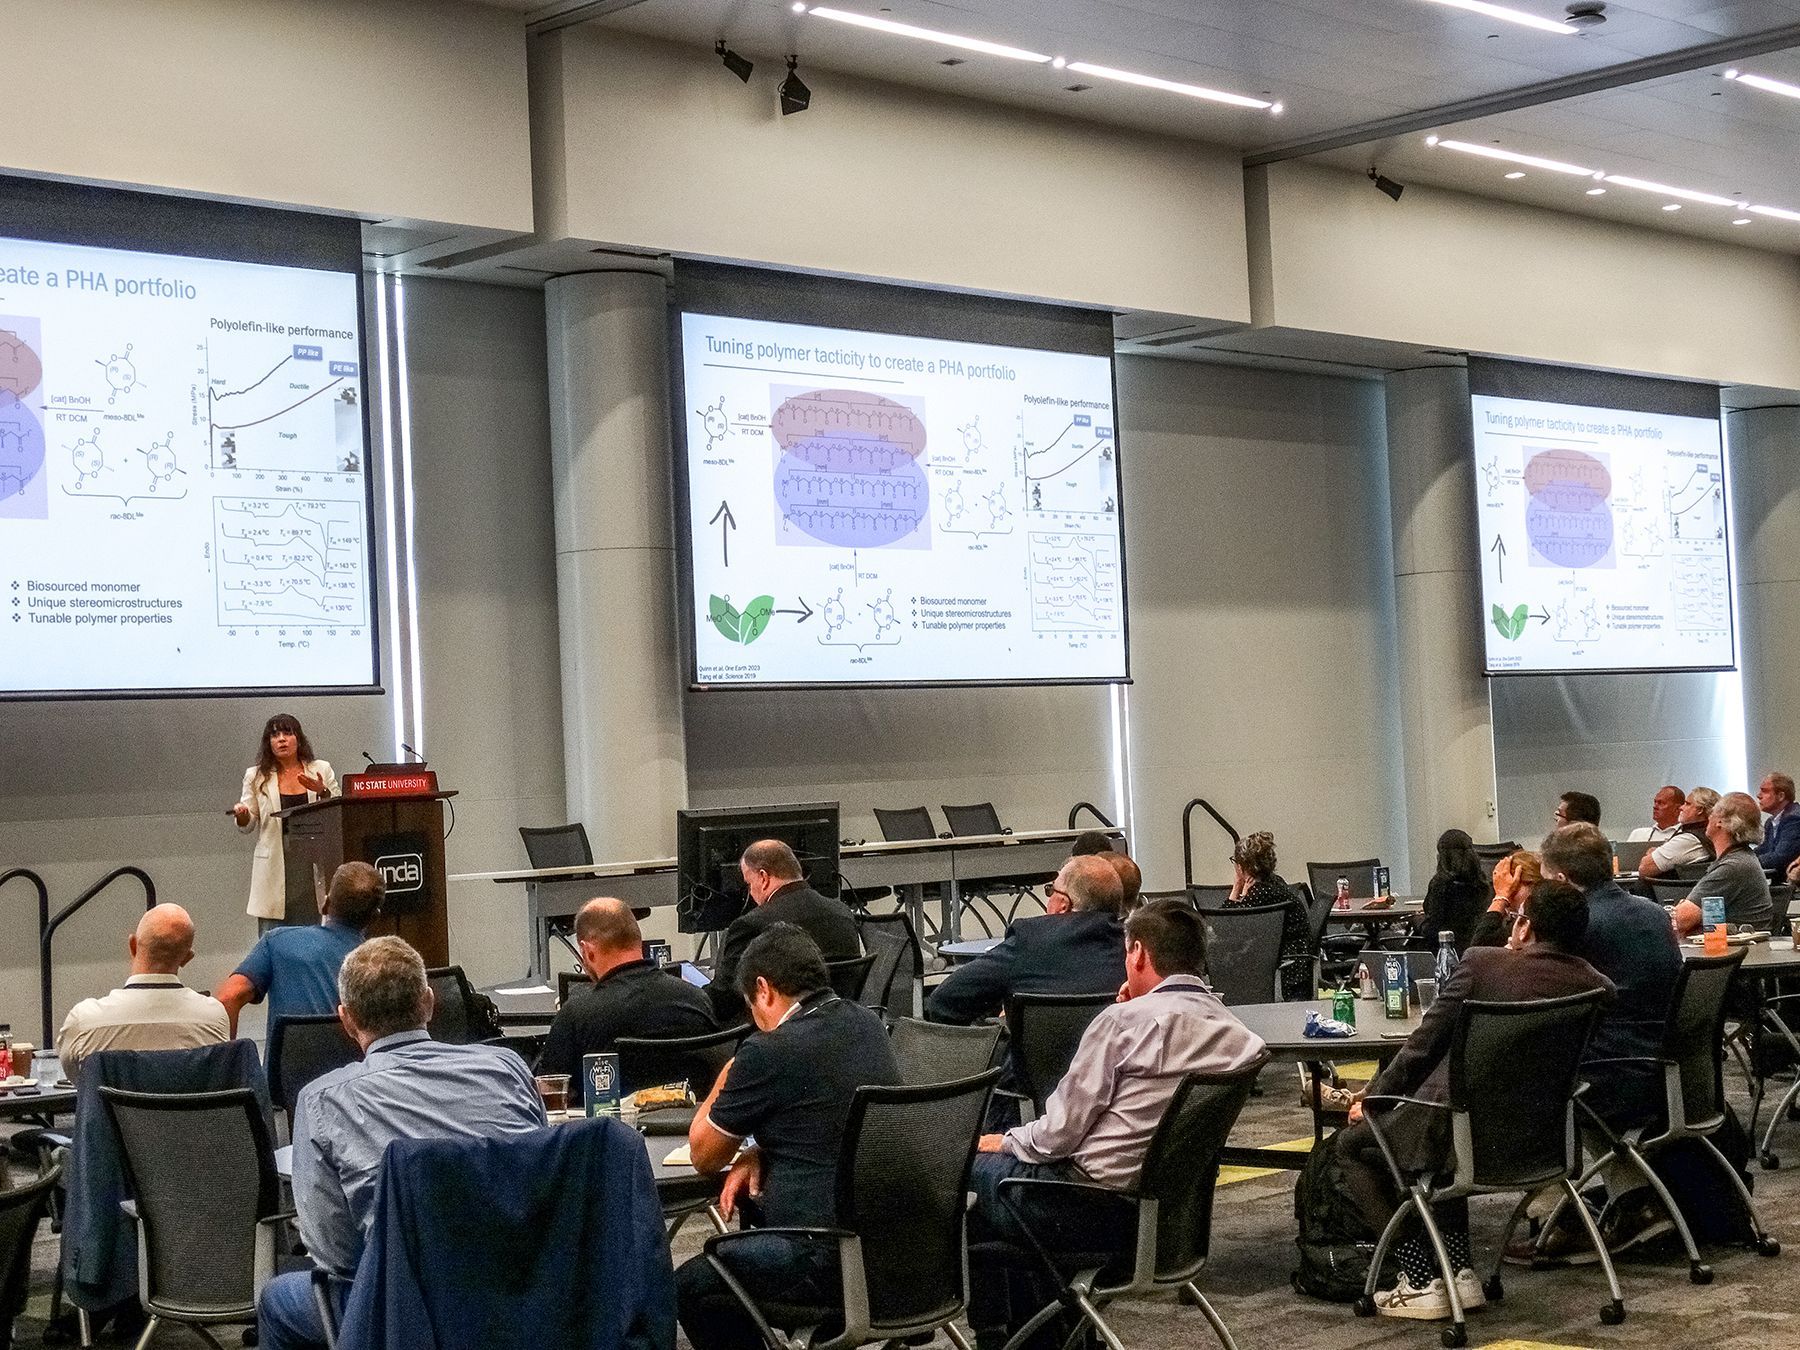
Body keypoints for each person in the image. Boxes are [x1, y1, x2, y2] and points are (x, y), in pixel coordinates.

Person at [965, 900, 1265, 1348]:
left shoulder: (1122, 1024)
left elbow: (1055, 1139)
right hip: (1171, 1221)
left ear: (1139, 953)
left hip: (1085, 1209)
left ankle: (1000, 1337)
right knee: (1000, 1220)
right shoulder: (1240, 1037)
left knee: (956, 1179)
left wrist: (1004, 1141)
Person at [1338, 880, 1613, 1320]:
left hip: (1460, 1132)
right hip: (1542, 1143)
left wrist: (1374, 1100)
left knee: (1353, 1146)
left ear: (1525, 927)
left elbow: (1422, 1046)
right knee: (1447, 1140)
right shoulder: (1596, 985)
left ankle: (1420, 1278)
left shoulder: (1482, 964)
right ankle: (1461, 1272)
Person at [257, 937, 547, 1350]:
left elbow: (336, 1254)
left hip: (406, 1317)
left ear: (346, 1019)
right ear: (429, 1002)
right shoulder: (507, 1067)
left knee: (277, 1299)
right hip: (526, 1297)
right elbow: (541, 1174)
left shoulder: (322, 1101)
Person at [676, 924, 899, 1350]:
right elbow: (831, 1121)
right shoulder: (867, 1024)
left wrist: (732, 1067)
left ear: (763, 989)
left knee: (695, 1284)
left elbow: (703, 1154)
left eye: (751, 1008)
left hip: (824, 1259)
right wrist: (760, 1149)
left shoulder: (768, 1050)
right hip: (899, 1253)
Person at [1533, 821, 1682, 1257]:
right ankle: (1634, 1203)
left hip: (1613, 1077)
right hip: (1674, 1070)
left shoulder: (1577, 929)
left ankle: (1558, 1220)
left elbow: (1537, 998)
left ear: (1562, 880)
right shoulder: (1654, 913)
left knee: (1524, 1081)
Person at [535, 897, 716, 1100]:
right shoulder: (697, 1000)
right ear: (638, 939)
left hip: (608, 1120)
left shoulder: (576, 1015)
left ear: (587, 951)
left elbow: (549, 1093)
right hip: (693, 1118)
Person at [925, 853, 1126, 1033]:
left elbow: (943, 1002)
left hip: (1032, 1064)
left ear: (1063, 905)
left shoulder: (1028, 940)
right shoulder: (1133, 949)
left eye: (1051, 890)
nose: (1049, 897)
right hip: (1111, 1063)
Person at [56, 904, 229, 1080]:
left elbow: (79, 1082)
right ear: (187, 958)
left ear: (133, 946)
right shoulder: (214, 1018)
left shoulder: (85, 1021)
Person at [214, 861, 383, 1036]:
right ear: (374, 918)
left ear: (325, 904)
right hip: (356, 1055)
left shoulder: (277, 942)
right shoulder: (381, 966)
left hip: (285, 1056)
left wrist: (231, 1054)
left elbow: (228, 997)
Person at [707, 840, 860, 1023]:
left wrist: (688, 997)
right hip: (845, 1024)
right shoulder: (842, 912)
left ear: (763, 877)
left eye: (749, 884)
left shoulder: (751, 924)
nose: (750, 893)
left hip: (779, 1033)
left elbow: (724, 1001)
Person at [231, 714, 339, 930]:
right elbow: (248, 823)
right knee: (273, 937)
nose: (281, 739)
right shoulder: (256, 775)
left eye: (287, 733)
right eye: (275, 735)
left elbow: (337, 810)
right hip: (274, 865)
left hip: (310, 867)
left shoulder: (321, 769)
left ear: (298, 738)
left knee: (310, 936)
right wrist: (242, 815)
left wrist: (323, 792)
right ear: (268, 742)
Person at [1222, 831, 1311, 999]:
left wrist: (1236, 888)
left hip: (1284, 967)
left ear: (1242, 866)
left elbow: (1224, 927)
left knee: (1224, 960)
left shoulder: (1259, 893)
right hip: (1293, 961)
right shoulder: (1275, 882)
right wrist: (1243, 894)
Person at [1673, 791, 1774, 935]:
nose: (1709, 817)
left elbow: (1680, 920)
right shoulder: (1741, 858)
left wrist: (1681, 907)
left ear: (1720, 821)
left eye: (1713, 812)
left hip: (1730, 946)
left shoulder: (1733, 866)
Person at [1418, 828, 1488, 953]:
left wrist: (1418, 922)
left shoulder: (1440, 884)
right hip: (1475, 950)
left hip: (1445, 950)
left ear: (1443, 856)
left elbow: (1432, 930)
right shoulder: (1482, 882)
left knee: (1387, 936)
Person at [1636, 786, 1718, 880]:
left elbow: (1645, 868)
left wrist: (1653, 854)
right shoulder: (1706, 835)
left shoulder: (1689, 839)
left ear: (1700, 810)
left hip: (1659, 889)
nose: (1681, 808)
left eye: (1687, 804)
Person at [1467, 849, 1542, 949]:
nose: (1508, 896)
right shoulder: (1515, 921)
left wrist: (1500, 897)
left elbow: (1480, 948)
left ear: (1533, 884)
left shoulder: (1538, 921)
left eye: (1513, 887)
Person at [1755, 772, 1800, 876]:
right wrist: (1743, 856)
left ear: (1780, 796)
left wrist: (1747, 862)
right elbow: (1764, 849)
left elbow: (1780, 857)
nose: (1758, 795)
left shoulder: (1794, 819)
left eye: (1764, 791)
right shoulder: (1770, 822)